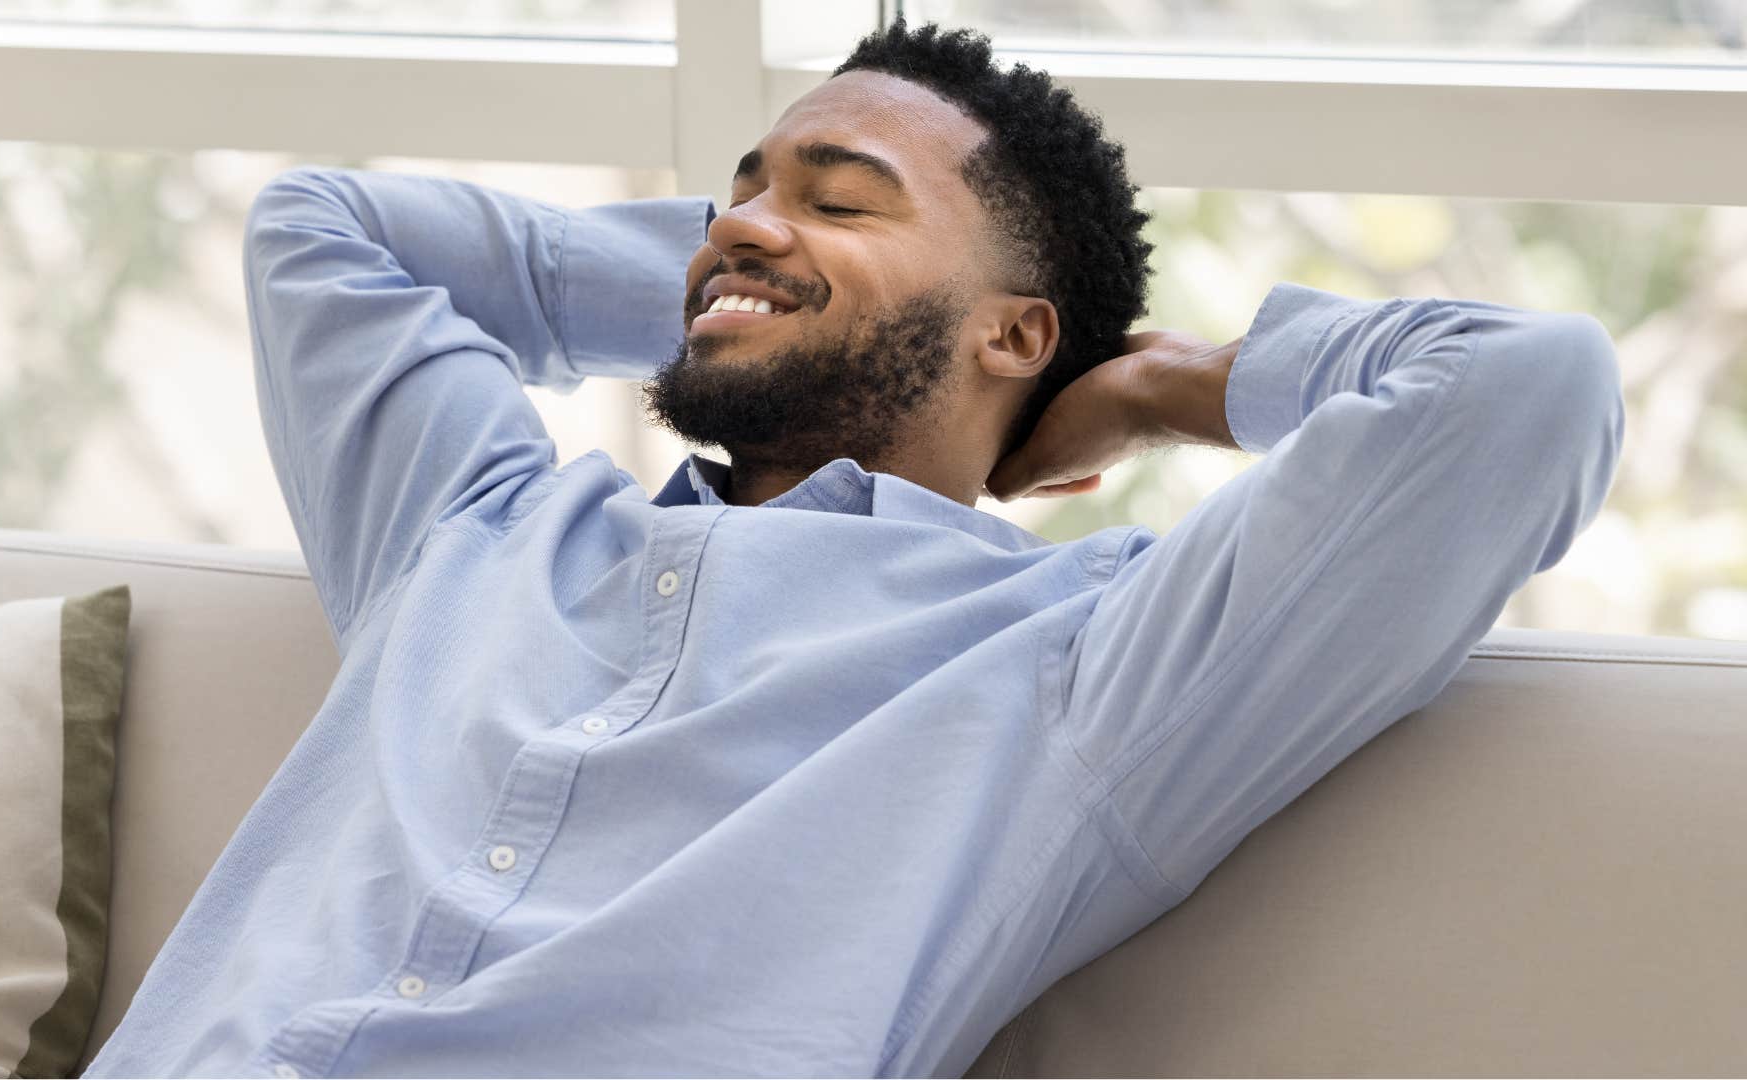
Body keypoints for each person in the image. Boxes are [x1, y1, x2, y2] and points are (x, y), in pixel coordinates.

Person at [82, 18, 1623, 1079]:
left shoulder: (1079, 667)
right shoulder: (475, 532)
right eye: (740, 188)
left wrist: (1152, 385)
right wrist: (764, 279)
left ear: (1018, 330)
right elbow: (324, 229)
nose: (737, 223)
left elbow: (1525, 396)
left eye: (840, 199)